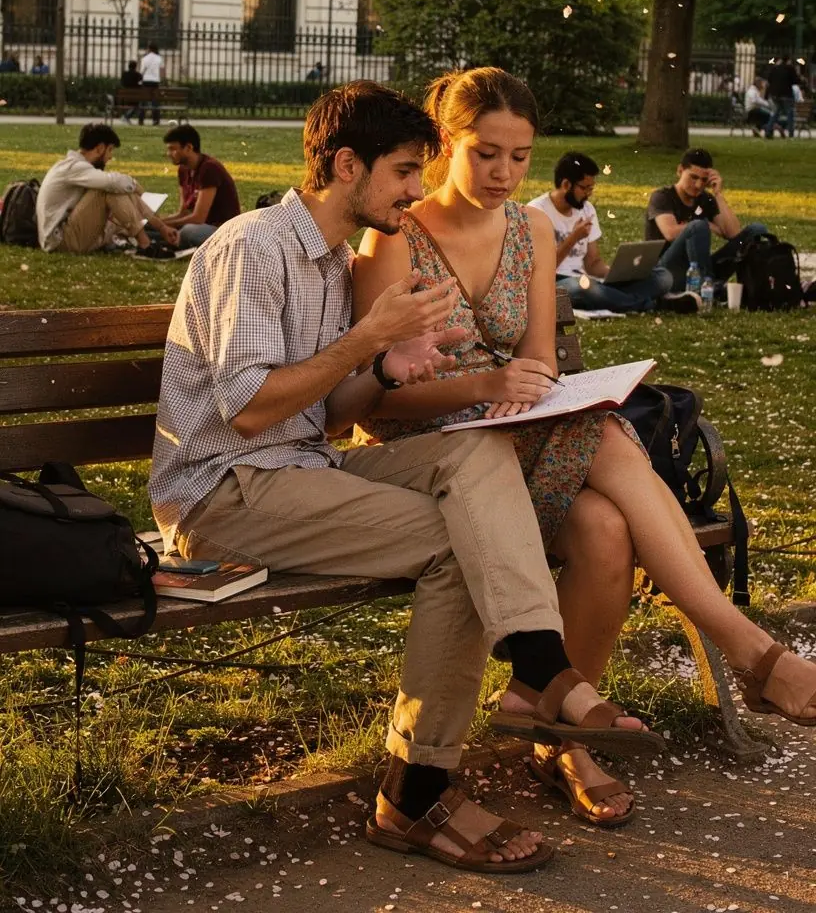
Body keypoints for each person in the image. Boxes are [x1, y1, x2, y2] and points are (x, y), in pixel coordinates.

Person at [150, 81, 657, 876]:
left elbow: (334, 407)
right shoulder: (255, 245)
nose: (419, 191)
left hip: (300, 468)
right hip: (226, 492)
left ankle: (536, 664)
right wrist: (369, 341)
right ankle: (421, 791)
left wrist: (387, 365)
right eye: (405, 172)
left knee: (473, 448)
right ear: (347, 165)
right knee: (459, 547)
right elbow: (248, 413)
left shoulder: (329, 259)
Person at [353, 67, 816, 827]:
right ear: (445, 145)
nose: (504, 173)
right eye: (485, 153)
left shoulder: (532, 231)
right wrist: (488, 386)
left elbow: (537, 363)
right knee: (602, 445)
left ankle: (556, 729)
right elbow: (376, 401)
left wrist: (531, 387)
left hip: (521, 441)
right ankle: (751, 653)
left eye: (520, 156)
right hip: (431, 461)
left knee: (605, 527)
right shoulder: (395, 235)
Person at [528, 152, 694, 315]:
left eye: (591, 188)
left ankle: (616, 298)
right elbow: (541, 269)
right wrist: (573, 238)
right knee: (584, 287)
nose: (589, 194)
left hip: (589, 280)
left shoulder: (586, 210)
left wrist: (620, 275)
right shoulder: (537, 212)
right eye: (585, 188)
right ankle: (652, 304)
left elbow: (593, 264)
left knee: (663, 277)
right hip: (553, 283)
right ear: (566, 184)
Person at [37, 122, 180, 257]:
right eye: (110, 150)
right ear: (100, 148)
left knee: (114, 189)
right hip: (60, 242)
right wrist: (135, 185)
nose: (110, 157)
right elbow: (112, 183)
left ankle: (150, 239)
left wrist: (162, 227)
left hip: (67, 236)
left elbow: (116, 184)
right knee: (108, 189)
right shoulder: (73, 167)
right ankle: (145, 245)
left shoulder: (77, 168)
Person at [645, 148, 770, 292]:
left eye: (704, 180)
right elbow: (670, 233)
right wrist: (706, 225)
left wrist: (718, 194)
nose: (698, 185)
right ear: (680, 171)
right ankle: (707, 287)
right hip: (666, 273)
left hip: (699, 267)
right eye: (693, 177)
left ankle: (752, 287)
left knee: (755, 231)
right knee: (698, 226)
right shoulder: (662, 196)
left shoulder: (705, 199)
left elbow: (734, 234)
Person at [161, 124, 241, 248]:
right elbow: (183, 212)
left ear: (188, 147)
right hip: (199, 226)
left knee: (187, 231)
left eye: (173, 149)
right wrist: (160, 224)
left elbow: (198, 218)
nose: (169, 153)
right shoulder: (183, 170)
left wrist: (165, 225)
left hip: (221, 229)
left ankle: (169, 241)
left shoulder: (209, 169)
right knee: (153, 228)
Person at [765, 55, 799, 139]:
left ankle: (768, 130)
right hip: (786, 94)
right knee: (789, 113)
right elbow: (795, 81)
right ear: (788, 60)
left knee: (776, 112)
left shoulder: (775, 68)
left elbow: (769, 80)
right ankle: (791, 133)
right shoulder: (790, 68)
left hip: (775, 94)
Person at [138, 41, 162, 126]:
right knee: (155, 102)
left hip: (146, 81)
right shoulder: (159, 58)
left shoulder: (144, 58)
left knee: (143, 102)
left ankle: (141, 120)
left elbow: (142, 71)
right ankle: (155, 120)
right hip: (155, 81)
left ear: (149, 49)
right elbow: (162, 70)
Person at [120, 59, 143, 124]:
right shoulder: (138, 74)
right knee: (137, 105)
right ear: (135, 67)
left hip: (125, 97)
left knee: (135, 105)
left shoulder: (124, 74)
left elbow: (122, 83)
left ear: (128, 66)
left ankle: (126, 116)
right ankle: (126, 116)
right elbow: (141, 84)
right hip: (135, 97)